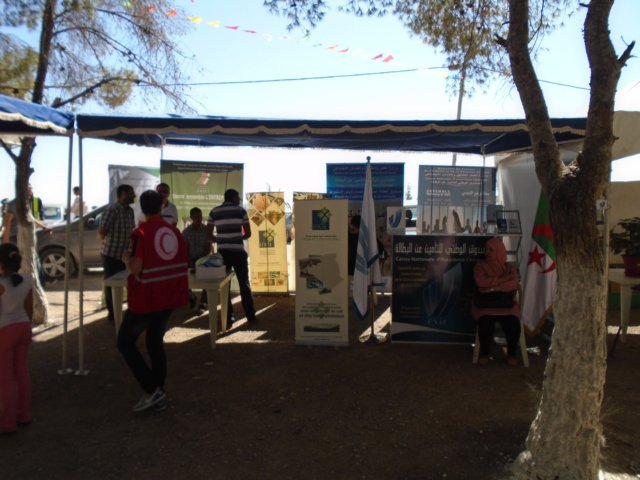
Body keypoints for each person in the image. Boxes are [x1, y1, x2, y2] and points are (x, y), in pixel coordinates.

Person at [117, 190, 188, 412]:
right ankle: (158, 392)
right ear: (161, 206)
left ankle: (152, 389)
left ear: (142, 207)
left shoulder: (141, 233)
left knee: (124, 342)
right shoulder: (175, 233)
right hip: (169, 296)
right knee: (154, 342)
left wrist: (126, 258)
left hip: (147, 298)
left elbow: (136, 267)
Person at [206, 189, 256, 324]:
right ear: (233, 198)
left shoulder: (214, 211)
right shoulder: (241, 211)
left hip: (223, 254)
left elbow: (208, 234)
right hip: (238, 253)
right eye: (238, 197)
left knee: (224, 286)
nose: (239, 200)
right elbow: (248, 233)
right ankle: (250, 316)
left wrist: (219, 240)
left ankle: (228, 317)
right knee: (244, 284)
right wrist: (238, 238)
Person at [0, 243, 33, 434]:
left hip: (5, 330)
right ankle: (24, 414)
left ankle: (7, 422)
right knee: (22, 372)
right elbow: (29, 307)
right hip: (23, 327)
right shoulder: (27, 279)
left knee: (6, 378)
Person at [472, 238, 521, 366]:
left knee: (513, 323)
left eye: (491, 250)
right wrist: (503, 279)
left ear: (499, 251)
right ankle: (484, 352)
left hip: (506, 306)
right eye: (486, 250)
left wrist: (491, 288)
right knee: (485, 323)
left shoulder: (509, 268)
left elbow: (512, 284)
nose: (487, 252)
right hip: (486, 306)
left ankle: (511, 353)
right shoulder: (480, 266)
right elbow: (481, 282)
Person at [98, 184, 136, 323]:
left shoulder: (130, 211)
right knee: (112, 285)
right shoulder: (112, 210)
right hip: (111, 255)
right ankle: (113, 315)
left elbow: (131, 230)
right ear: (124, 194)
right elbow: (101, 232)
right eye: (131, 193)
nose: (134, 195)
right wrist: (111, 243)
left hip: (125, 256)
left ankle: (130, 311)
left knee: (128, 283)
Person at [182, 207, 211, 309]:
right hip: (190, 260)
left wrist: (200, 261)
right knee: (181, 278)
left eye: (200, 216)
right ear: (191, 218)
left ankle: (203, 302)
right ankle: (191, 297)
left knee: (207, 279)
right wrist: (190, 261)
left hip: (203, 260)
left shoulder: (207, 230)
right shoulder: (186, 232)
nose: (199, 218)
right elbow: (184, 249)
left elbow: (208, 247)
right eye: (196, 217)